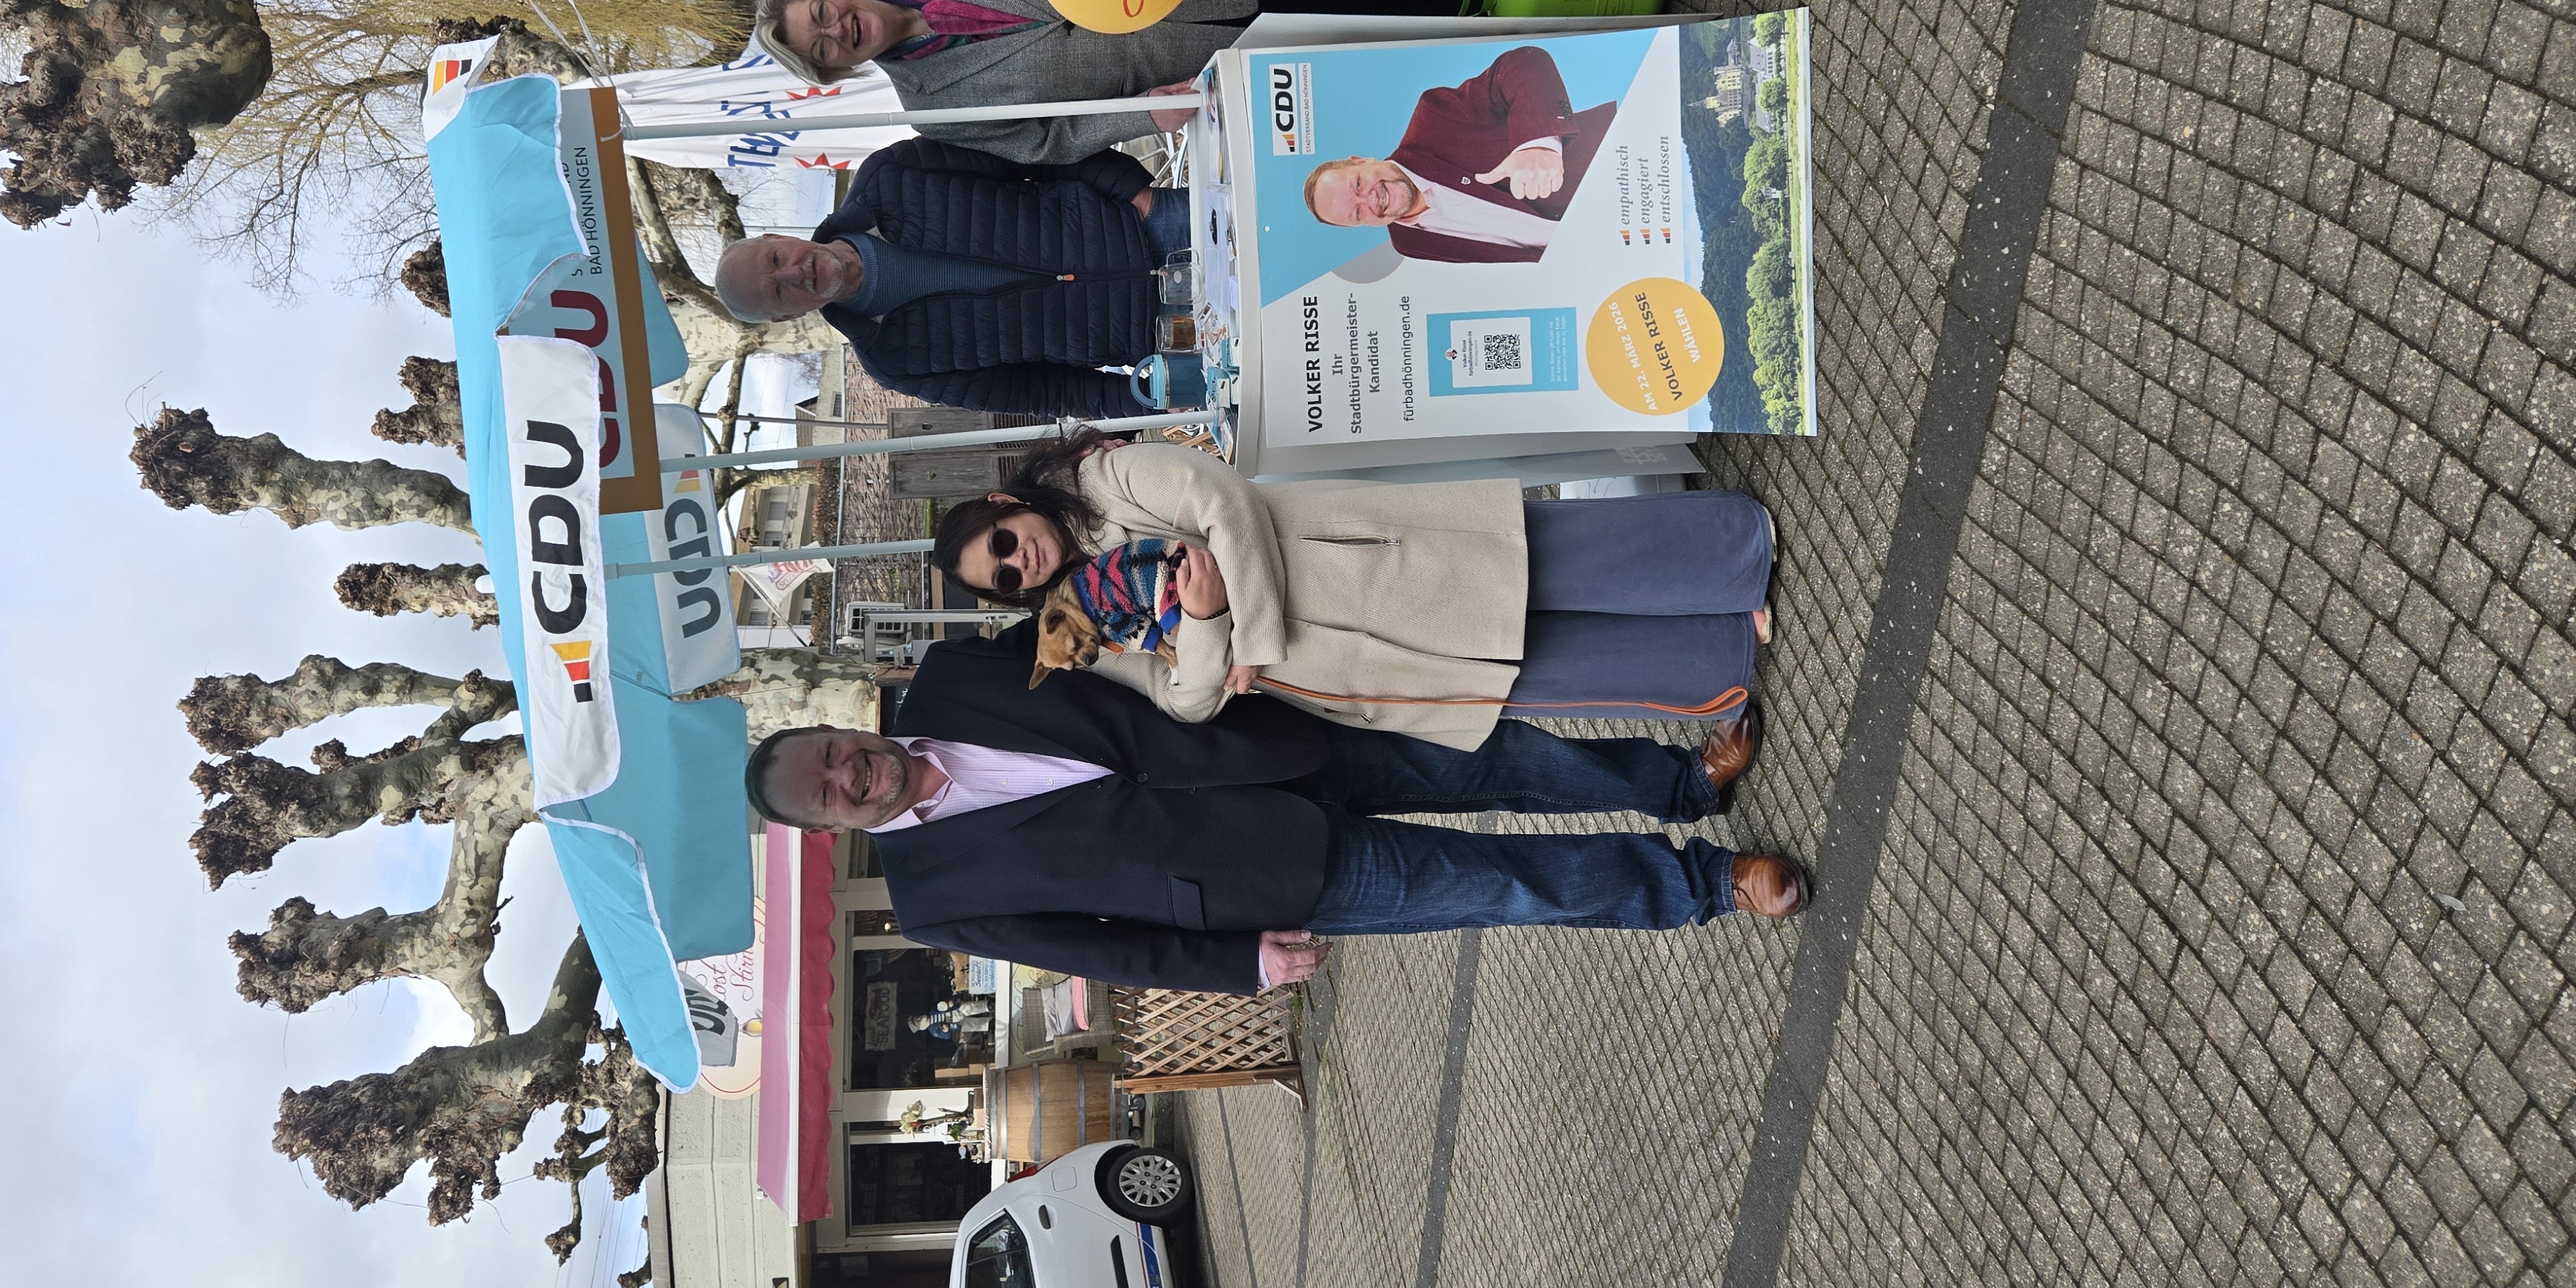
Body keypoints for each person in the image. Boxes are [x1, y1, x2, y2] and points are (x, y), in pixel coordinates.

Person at [744, 624, 1808, 997]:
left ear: (842, 727)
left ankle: (1678, 784)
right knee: (1498, 883)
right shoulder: (933, 903)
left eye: (834, 754)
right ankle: (1707, 885)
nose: (850, 773)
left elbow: (1112, 638)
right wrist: (1238, 965)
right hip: (1255, 880)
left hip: (1270, 738)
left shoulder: (950, 675)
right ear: (833, 831)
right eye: (831, 795)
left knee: (1492, 756)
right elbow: (1097, 951)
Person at [932, 431, 1771, 744]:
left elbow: (1216, 499)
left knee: (1561, 560)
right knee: (1542, 670)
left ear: (1007, 505)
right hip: (1350, 665)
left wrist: (1244, 634)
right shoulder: (1079, 628)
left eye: (1003, 543)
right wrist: (1206, 616)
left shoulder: (1103, 483)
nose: (1020, 564)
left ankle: (1733, 559)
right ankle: (1718, 653)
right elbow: (1185, 701)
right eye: (1003, 578)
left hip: (1362, 555)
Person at [751, 0, 1466, 164]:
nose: (836, 30)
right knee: (1404, 57)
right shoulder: (935, 114)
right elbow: (1049, 139)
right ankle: (1550, 46)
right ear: (837, 71)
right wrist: (1143, 114)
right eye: (823, 49)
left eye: (818, 13)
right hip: (1213, 61)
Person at [711, 137, 1175, 417]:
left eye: (776, 258)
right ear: (787, 315)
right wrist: (1155, 396)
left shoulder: (887, 174)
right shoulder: (892, 362)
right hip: (1164, 334)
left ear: (775, 235)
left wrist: (1128, 189)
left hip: (1148, 224)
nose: (795, 272)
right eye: (778, 290)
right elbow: (1043, 391)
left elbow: (1025, 152)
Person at [1301, 42, 1614, 263]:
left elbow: (1525, 61)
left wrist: (1537, 145)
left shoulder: (1433, 119)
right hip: (1620, 246)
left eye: (1358, 184)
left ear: (1362, 161)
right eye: (1357, 214)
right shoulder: (1409, 244)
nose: (1371, 199)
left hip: (1628, 161)